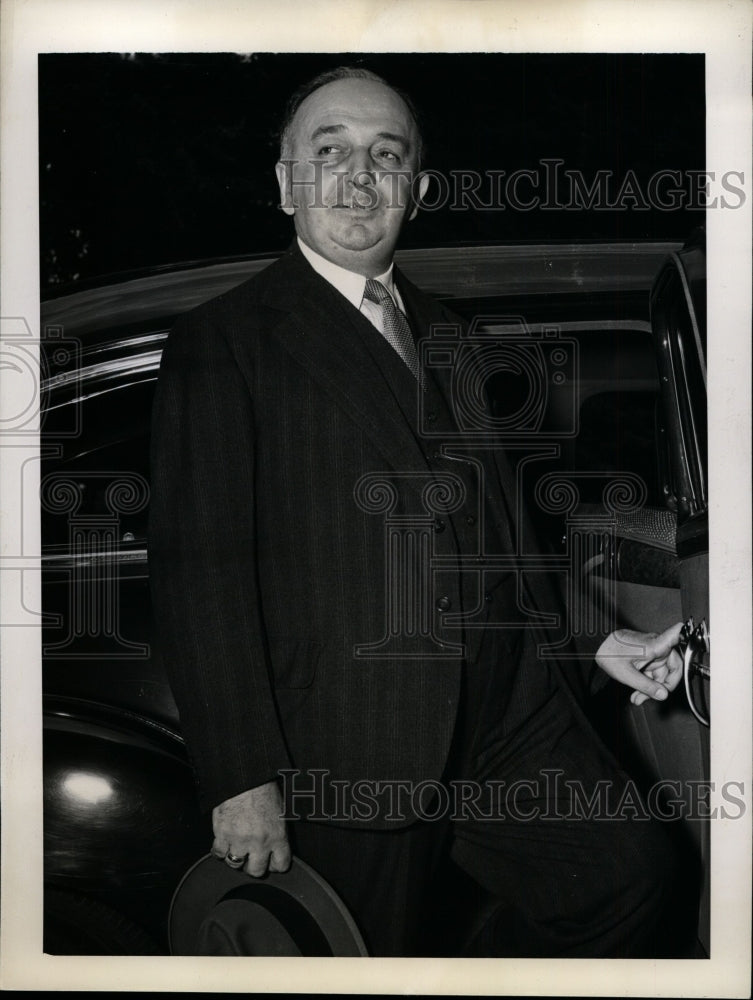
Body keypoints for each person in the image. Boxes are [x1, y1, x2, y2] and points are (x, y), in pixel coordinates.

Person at [148, 66, 688, 958]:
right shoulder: (226, 343)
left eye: (384, 156)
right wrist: (240, 777)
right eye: (329, 153)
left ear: (417, 190)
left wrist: (587, 637)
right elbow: (200, 575)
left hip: (510, 720)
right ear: (286, 183)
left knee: (630, 878)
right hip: (351, 744)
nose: (357, 176)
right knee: (360, 959)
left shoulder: (453, 333)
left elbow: (506, 535)